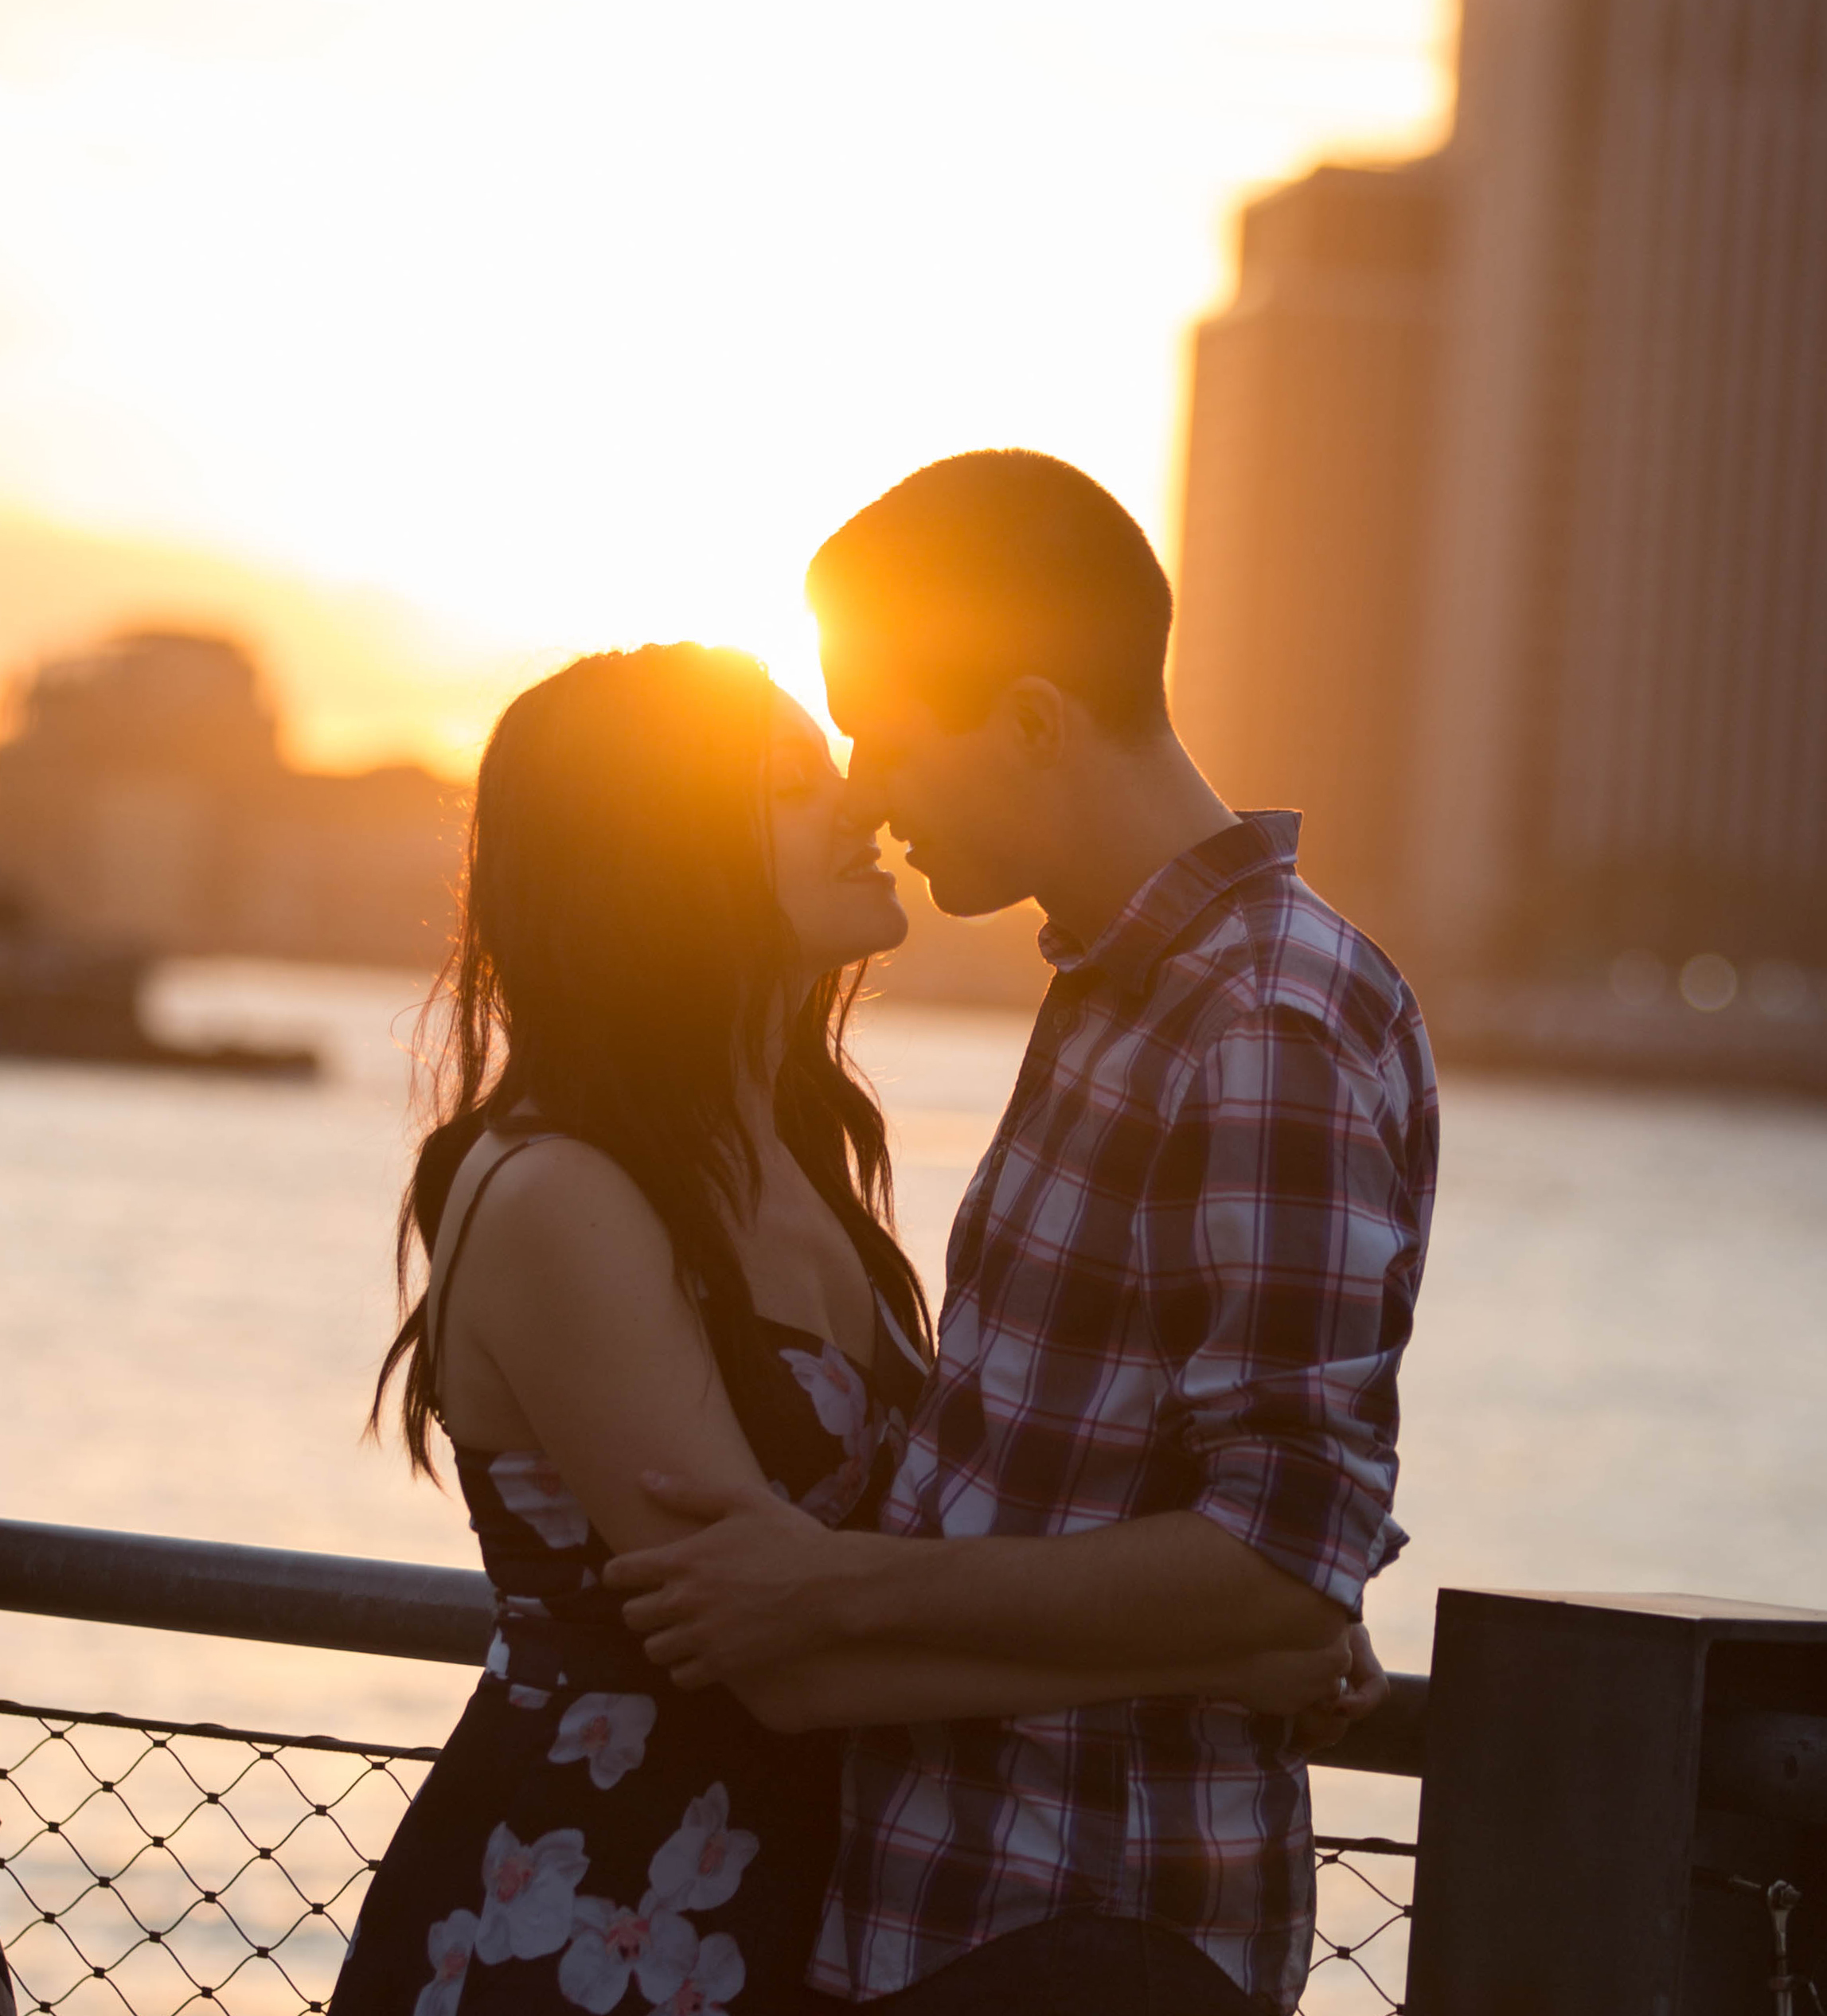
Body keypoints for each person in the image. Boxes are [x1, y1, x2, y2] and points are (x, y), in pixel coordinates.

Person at [334, 643, 1363, 2016]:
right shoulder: (561, 1195)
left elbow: (892, 1552)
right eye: (791, 784)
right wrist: (1236, 1643)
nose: (861, 804)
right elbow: (783, 1659)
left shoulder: (798, 1157)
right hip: (595, 1921)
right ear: (659, 847)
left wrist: (1234, 1596)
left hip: (802, 1908)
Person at [604, 455, 1439, 2014]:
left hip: (1088, 1930)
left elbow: (1274, 1568)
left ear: (1034, 721)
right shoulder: (1124, 991)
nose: (859, 787)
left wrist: (832, 1586)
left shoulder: (1261, 1023)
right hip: (956, 1905)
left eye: (879, 730)